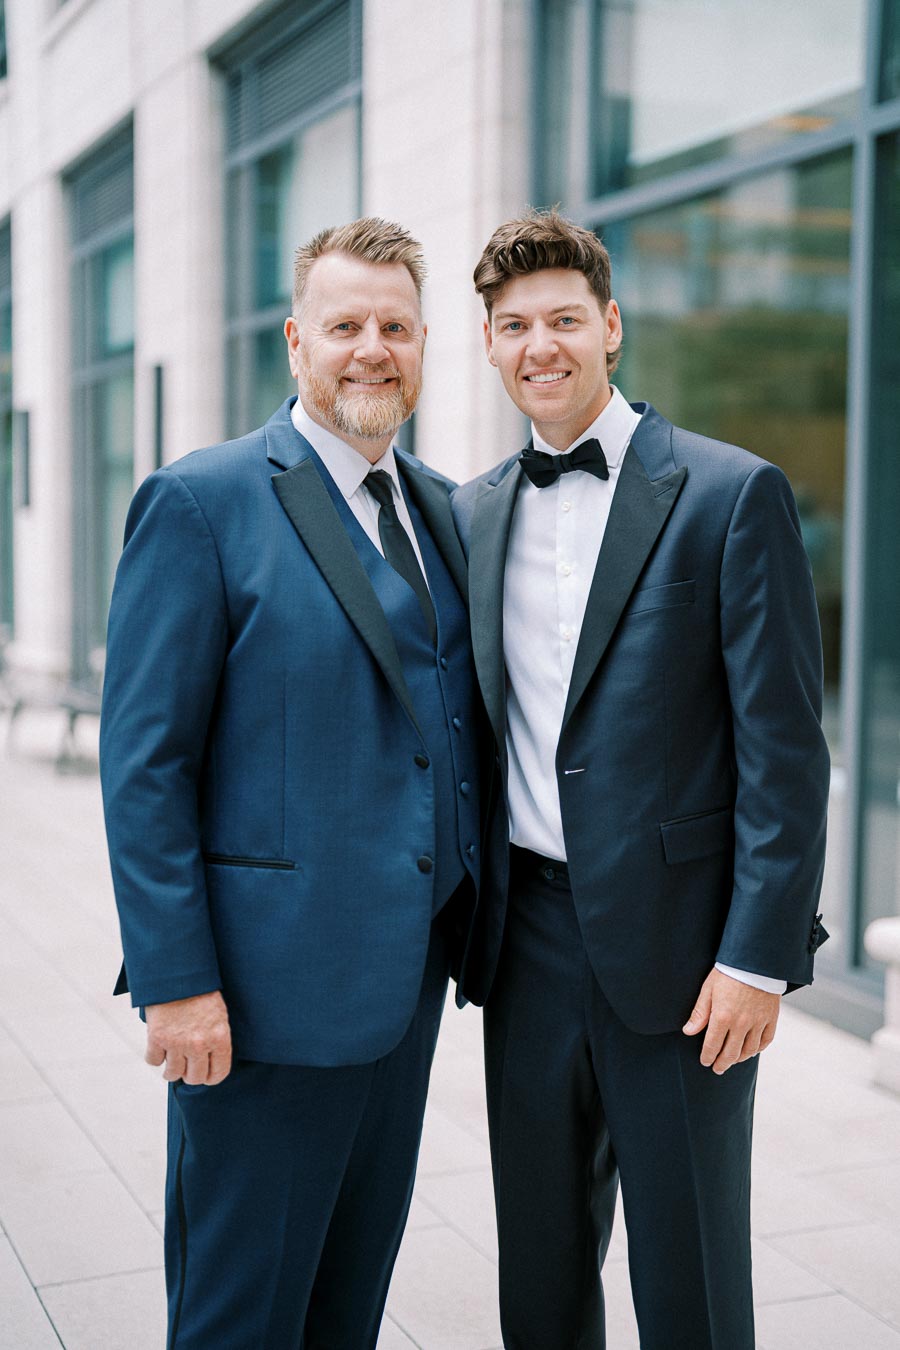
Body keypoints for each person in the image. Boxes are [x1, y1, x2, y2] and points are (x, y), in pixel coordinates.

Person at [451, 208, 830, 1350]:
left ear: (610, 326)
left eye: (564, 318)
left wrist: (758, 956)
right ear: (490, 344)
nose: (540, 346)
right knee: (541, 1270)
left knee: (693, 1277)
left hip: (685, 951)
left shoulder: (729, 496)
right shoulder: (467, 513)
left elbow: (785, 749)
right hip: (526, 945)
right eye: (514, 325)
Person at [100, 217, 481, 1350]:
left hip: (404, 992)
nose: (374, 348)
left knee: (345, 1307)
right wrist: (176, 985)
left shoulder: (443, 509)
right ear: (295, 342)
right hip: (258, 1007)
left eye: (397, 327)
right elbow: (145, 767)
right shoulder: (201, 501)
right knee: (240, 1316)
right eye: (346, 324)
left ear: (424, 345)